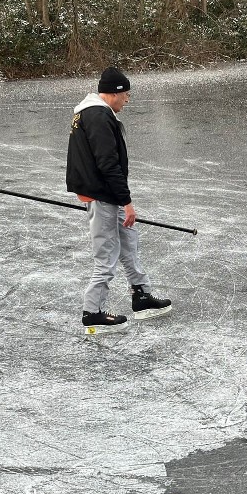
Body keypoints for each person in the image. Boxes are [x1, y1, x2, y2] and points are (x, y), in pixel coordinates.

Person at [66, 66, 172, 333]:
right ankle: (92, 312)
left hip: (106, 194)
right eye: (126, 94)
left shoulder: (91, 113)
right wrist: (127, 202)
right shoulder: (98, 116)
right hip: (103, 195)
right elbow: (107, 163)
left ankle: (142, 296)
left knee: (128, 242)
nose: (127, 99)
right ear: (114, 93)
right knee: (107, 255)